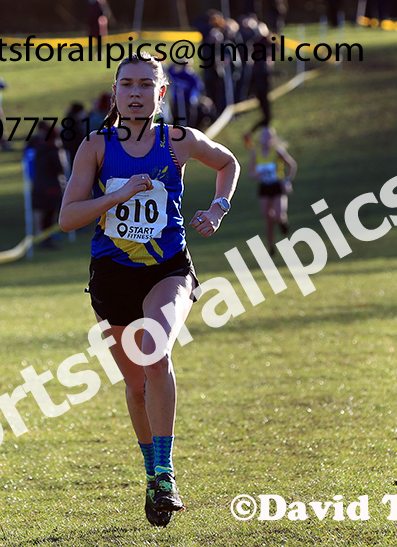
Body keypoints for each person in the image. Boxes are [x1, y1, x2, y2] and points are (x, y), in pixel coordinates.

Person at [58, 53, 239, 527]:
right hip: (112, 275)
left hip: (169, 269)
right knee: (135, 385)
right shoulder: (95, 148)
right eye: (127, 85)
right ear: (115, 93)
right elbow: (67, 218)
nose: (136, 92)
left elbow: (228, 162)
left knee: (156, 353)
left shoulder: (178, 141)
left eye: (145, 85)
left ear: (161, 94)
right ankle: (152, 474)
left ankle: (166, 472)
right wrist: (116, 195)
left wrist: (218, 208)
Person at [248, 126, 296, 256]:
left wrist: (287, 181)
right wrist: (256, 175)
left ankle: (283, 223)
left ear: (273, 138)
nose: (265, 139)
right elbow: (250, 173)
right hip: (264, 187)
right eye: (263, 136)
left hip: (277, 185)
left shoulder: (277, 151)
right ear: (259, 138)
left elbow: (292, 165)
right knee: (268, 218)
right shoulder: (255, 153)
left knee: (278, 215)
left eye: (268, 136)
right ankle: (271, 247)